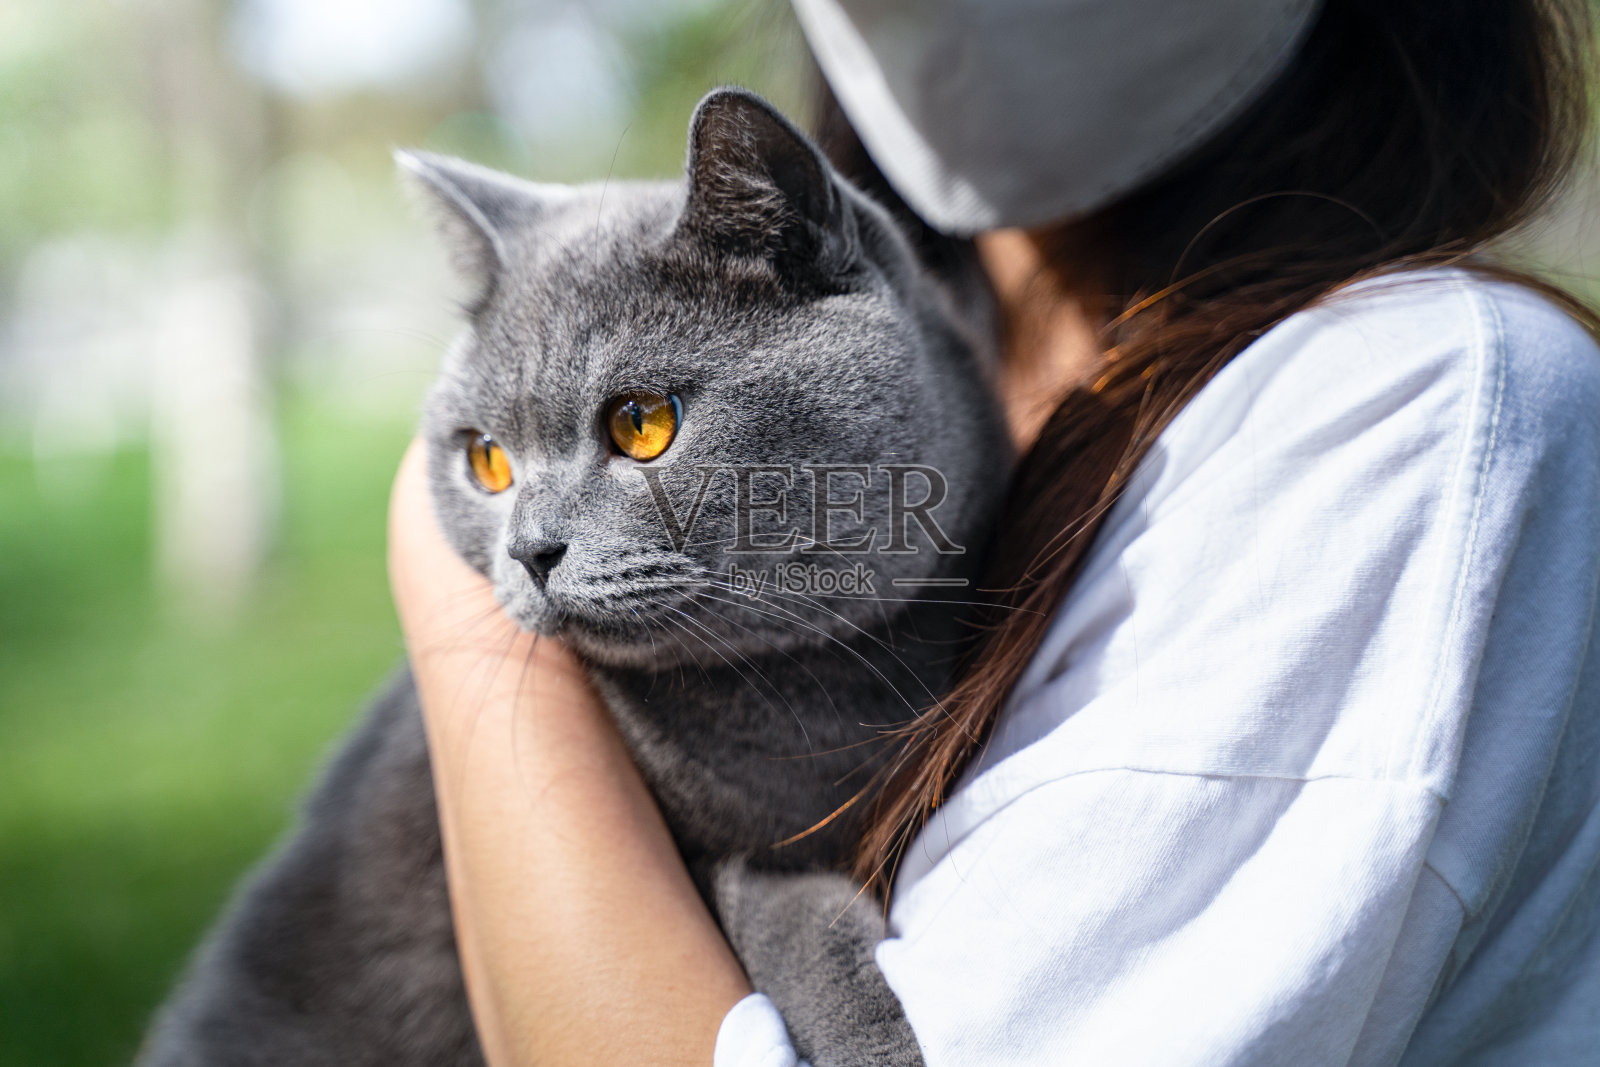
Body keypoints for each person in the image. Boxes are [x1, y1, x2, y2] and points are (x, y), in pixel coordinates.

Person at [386, 0, 1600, 1063]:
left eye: (643, 427)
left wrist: (447, 591)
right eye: (488, 464)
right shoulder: (935, 356)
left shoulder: (1415, 402)